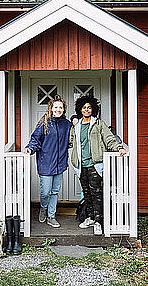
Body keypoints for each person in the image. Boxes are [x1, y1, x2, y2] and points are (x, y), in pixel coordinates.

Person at [69, 95, 127, 235]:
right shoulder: (76, 127)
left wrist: (119, 148)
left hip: (95, 165)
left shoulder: (99, 124)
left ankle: (98, 222)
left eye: (89, 107)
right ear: (80, 110)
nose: (87, 110)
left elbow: (109, 139)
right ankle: (89, 217)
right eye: (84, 108)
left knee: (96, 194)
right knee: (87, 193)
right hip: (81, 165)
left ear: (93, 109)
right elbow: (70, 142)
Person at [24, 95, 72, 228]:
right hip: (46, 164)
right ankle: (43, 208)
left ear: (64, 109)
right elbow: (35, 139)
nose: (58, 109)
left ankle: (51, 216)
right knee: (46, 192)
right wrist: (30, 148)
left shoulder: (66, 124)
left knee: (55, 191)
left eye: (60, 107)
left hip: (60, 164)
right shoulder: (44, 123)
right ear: (51, 108)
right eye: (56, 107)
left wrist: (74, 120)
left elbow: (74, 133)